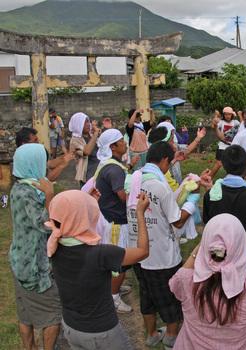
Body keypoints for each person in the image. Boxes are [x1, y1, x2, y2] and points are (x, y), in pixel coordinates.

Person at [48, 190, 151, 349]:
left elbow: (69, 220)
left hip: (71, 327)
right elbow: (143, 251)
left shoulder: (54, 245)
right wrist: (140, 213)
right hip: (102, 333)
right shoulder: (101, 254)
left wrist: (86, 203)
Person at [169, 214, 246, 350]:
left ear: (206, 246)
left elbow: (176, 280)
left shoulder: (186, 281)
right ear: (240, 247)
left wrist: (200, 248)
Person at [126, 141, 197, 349]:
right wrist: (191, 203)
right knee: (169, 298)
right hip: (160, 255)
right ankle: (171, 337)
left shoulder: (133, 180)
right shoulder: (159, 185)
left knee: (147, 294)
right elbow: (177, 220)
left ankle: (151, 334)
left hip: (138, 251)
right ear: (165, 159)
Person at [9, 143, 61, 350]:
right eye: (42, 160)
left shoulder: (22, 187)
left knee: (26, 315)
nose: (45, 165)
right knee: (53, 314)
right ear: (33, 163)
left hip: (20, 260)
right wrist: (49, 195)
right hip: (33, 266)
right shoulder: (27, 193)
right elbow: (47, 224)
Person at [203, 145, 246, 288]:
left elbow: (208, 223)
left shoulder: (212, 195)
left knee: (220, 292)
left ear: (224, 165)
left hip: (220, 252)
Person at [94, 129, 133, 313]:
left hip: (108, 217)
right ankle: (113, 297)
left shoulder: (107, 164)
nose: (125, 144)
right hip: (116, 221)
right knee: (120, 261)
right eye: (121, 142)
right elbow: (123, 196)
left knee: (115, 258)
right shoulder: (115, 170)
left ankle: (113, 287)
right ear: (113, 147)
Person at [68, 112, 101, 186]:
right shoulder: (74, 141)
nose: (88, 124)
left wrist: (97, 134)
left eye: (88, 121)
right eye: (85, 122)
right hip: (87, 175)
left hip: (99, 171)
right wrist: (95, 134)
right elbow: (86, 152)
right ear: (78, 124)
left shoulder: (90, 135)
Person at [210, 107, 240, 177]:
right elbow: (213, 126)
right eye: (226, 114)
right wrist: (216, 117)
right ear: (224, 115)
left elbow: (242, 126)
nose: (227, 116)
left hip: (232, 146)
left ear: (232, 115)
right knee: (219, 164)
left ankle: (229, 179)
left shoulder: (236, 122)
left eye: (229, 114)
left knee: (231, 164)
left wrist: (240, 115)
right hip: (222, 145)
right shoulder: (221, 122)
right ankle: (209, 177)